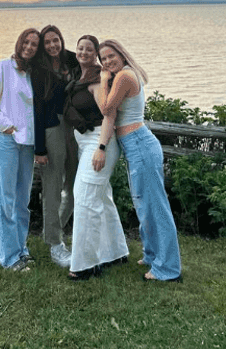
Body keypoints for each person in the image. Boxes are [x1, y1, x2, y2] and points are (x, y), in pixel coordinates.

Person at [92, 39, 182, 282]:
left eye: (111, 56)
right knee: (144, 204)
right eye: (103, 59)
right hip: (135, 145)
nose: (107, 61)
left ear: (121, 54)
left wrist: (101, 80)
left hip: (140, 144)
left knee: (156, 207)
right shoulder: (126, 73)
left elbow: (106, 108)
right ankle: (153, 254)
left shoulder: (122, 77)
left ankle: (168, 268)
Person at [61, 34, 130, 280]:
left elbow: (108, 113)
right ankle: (116, 251)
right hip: (83, 143)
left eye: (90, 50)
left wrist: (101, 147)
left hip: (99, 142)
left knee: (85, 197)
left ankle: (84, 264)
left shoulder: (100, 78)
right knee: (103, 196)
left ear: (96, 55)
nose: (83, 53)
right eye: (80, 48)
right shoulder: (76, 76)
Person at [0, 28, 39, 271]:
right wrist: (6, 126)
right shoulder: (3, 68)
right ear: (19, 43)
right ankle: (9, 257)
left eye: (34, 44)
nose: (29, 47)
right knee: (5, 200)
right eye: (26, 42)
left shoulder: (34, 75)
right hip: (5, 140)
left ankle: (21, 249)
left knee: (22, 201)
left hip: (27, 144)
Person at [31, 24, 80, 267]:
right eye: (47, 42)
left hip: (75, 128)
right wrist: (39, 148)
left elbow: (94, 68)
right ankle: (55, 244)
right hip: (51, 129)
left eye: (55, 40)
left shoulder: (72, 59)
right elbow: (37, 110)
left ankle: (55, 231)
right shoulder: (39, 70)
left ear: (61, 40)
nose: (52, 45)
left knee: (76, 185)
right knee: (52, 188)